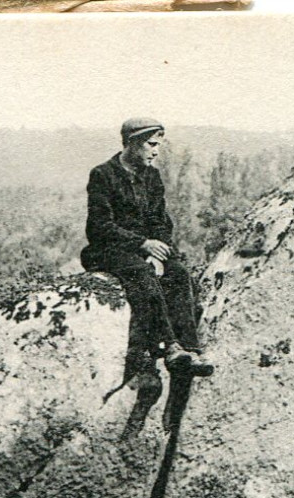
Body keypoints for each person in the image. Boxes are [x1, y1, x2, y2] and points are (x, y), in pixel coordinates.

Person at [81, 117, 213, 398]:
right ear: (132, 143)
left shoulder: (151, 177)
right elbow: (99, 226)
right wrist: (142, 245)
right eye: (151, 145)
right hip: (110, 249)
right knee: (142, 275)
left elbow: (161, 222)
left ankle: (190, 349)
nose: (156, 152)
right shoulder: (103, 174)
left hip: (147, 248)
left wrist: (160, 251)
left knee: (178, 274)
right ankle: (169, 346)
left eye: (159, 146)